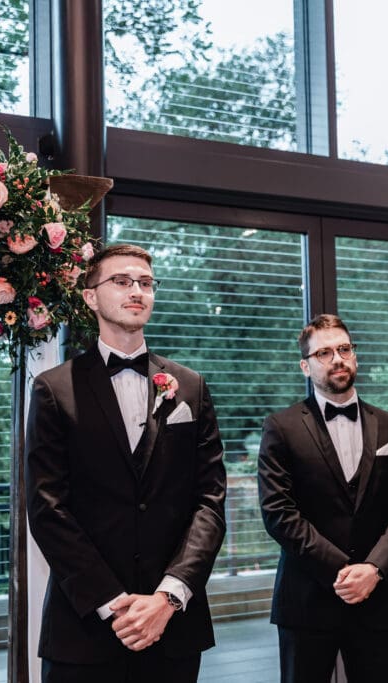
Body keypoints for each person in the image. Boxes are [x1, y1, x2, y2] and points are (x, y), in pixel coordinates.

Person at [25, 244, 227, 683]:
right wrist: (113, 602)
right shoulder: (53, 389)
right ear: (91, 296)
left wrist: (169, 596)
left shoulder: (190, 387)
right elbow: (47, 507)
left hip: (172, 626)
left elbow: (209, 502)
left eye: (145, 283)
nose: (137, 291)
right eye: (121, 281)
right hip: (84, 629)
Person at [258, 314, 388, 683]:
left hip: (379, 597)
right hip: (306, 599)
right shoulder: (281, 427)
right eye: (324, 352)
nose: (338, 359)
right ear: (305, 365)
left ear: (356, 356)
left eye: (344, 349)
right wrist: (345, 569)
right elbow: (278, 512)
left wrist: (374, 568)